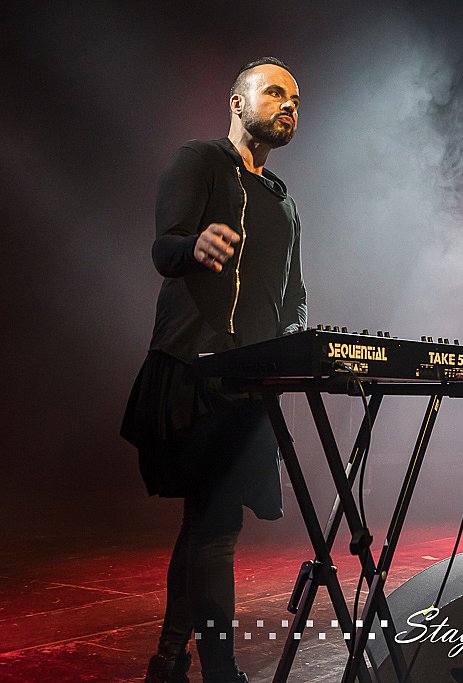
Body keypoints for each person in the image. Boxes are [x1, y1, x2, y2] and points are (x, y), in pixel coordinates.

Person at [121, 56, 306, 683]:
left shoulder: (282, 199)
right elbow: (163, 246)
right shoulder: (198, 160)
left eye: (296, 100)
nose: (288, 105)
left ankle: (169, 661)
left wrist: (295, 342)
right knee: (216, 527)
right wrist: (194, 246)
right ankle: (220, 670)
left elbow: (295, 293)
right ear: (237, 102)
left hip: (250, 385)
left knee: (206, 525)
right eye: (274, 93)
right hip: (194, 372)